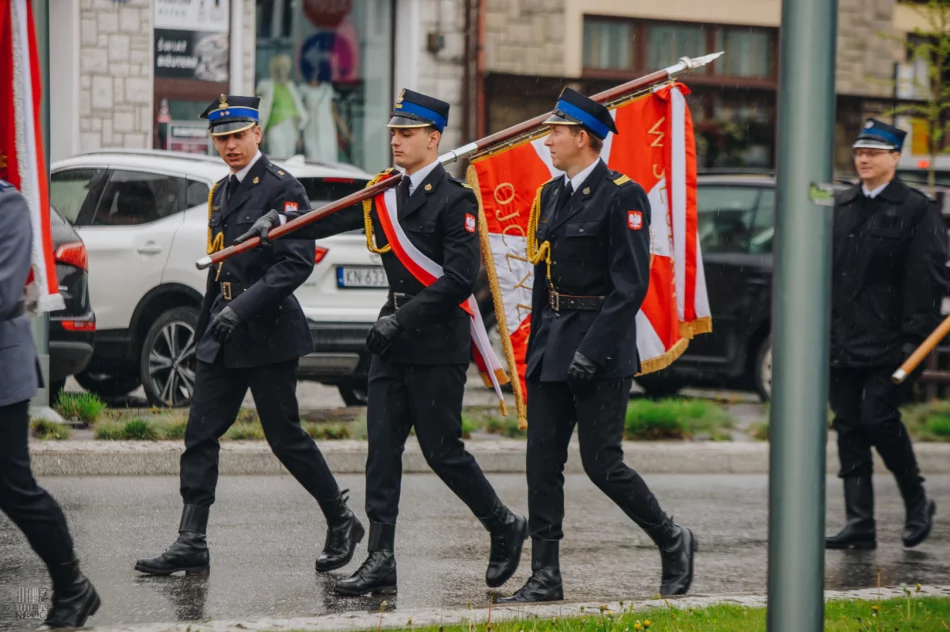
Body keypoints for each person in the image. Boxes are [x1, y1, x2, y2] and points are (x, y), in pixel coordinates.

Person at [234, 89, 527, 597]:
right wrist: (281, 223)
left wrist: (402, 320)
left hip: (436, 342)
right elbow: (332, 217)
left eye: (407, 133)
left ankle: (503, 524)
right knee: (381, 451)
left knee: (442, 451)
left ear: (433, 140)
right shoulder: (385, 191)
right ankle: (381, 559)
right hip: (391, 338)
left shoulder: (457, 200)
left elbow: (458, 280)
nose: (395, 139)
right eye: (394, 131)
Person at [135, 94, 363, 577]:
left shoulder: (282, 188)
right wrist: (204, 329)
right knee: (200, 433)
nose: (231, 146)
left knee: (285, 438)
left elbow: (295, 264)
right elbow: (219, 268)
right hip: (223, 326)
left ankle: (341, 518)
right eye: (222, 139)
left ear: (258, 133)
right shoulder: (221, 191)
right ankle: (191, 539)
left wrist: (241, 308)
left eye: (238, 136)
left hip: (269, 329)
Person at [499, 88, 698, 603]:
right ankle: (546, 575)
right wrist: (532, 348)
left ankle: (672, 538)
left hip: (599, 347)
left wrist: (592, 350)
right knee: (541, 461)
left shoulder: (622, 195)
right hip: (552, 344)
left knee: (602, 463)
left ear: (582, 137)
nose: (548, 140)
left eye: (556, 132)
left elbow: (630, 285)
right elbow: (543, 279)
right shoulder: (553, 194)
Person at [825, 119, 946, 550]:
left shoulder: (916, 208)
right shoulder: (841, 205)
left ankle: (916, 501)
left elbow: (927, 280)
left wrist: (915, 341)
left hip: (891, 342)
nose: (863, 159)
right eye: (860, 151)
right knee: (849, 426)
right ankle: (860, 522)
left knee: (879, 419)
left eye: (874, 152)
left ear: (895, 157)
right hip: (841, 340)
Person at [0, 180, 100, 627]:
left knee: (14, 489)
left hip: (1, 376)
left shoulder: (6, 203)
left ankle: (72, 585)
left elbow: (5, 292)